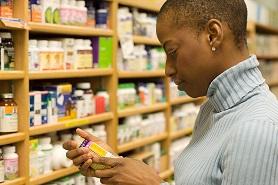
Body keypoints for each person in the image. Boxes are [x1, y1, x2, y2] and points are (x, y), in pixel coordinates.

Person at [63, 0, 278, 184]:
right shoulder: (211, 109)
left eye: (172, 52)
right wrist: (115, 166)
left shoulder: (257, 127)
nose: (168, 69)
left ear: (213, 35)